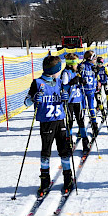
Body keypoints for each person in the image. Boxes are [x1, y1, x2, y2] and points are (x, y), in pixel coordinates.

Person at [24, 55, 73, 195]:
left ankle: (67, 177)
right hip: (46, 123)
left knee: (64, 149)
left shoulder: (58, 82)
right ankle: (45, 179)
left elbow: (65, 97)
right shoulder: (38, 83)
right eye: (59, 69)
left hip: (60, 120)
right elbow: (26, 102)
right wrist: (34, 99)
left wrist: (65, 98)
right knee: (46, 151)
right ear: (54, 70)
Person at [61, 53, 90, 154]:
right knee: (70, 122)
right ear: (70, 64)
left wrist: (82, 81)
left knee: (81, 121)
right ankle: (69, 142)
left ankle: (85, 142)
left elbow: (80, 79)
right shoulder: (66, 73)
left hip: (78, 100)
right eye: (75, 64)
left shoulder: (76, 72)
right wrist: (72, 82)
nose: (77, 65)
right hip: (69, 102)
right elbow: (63, 87)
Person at [79, 50, 99, 137]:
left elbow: (95, 77)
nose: (95, 59)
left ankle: (94, 126)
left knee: (91, 107)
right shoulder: (82, 66)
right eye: (94, 58)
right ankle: (82, 128)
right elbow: (77, 74)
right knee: (83, 108)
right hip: (83, 90)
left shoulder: (93, 67)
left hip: (91, 90)